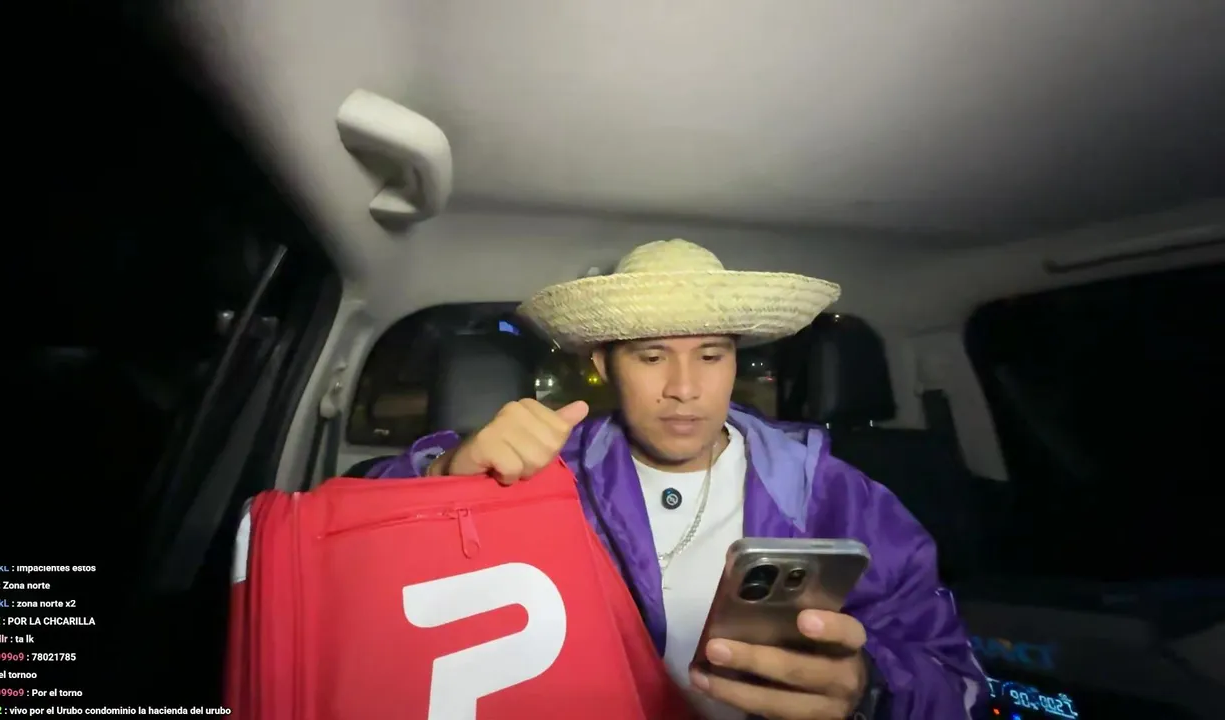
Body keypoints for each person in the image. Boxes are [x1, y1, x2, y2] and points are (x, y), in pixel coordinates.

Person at [368, 239, 986, 719]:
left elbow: (958, 684)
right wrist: (445, 474)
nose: (685, 388)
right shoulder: (548, 472)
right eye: (652, 356)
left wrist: (870, 690)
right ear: (604, 363)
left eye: (711, 355)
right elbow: (358, 538)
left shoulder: (835, 496)